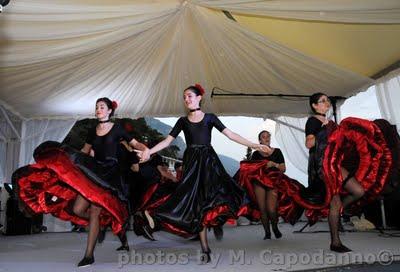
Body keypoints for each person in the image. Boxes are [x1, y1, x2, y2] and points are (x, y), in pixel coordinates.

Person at [138, 84, 271, 263]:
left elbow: (230, 135)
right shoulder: (182, 121)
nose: (187, 99)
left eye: (190, 96)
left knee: (218, 195)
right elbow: (167, 141)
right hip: (192, 163)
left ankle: (212, 229)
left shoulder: (210, 118)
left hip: (209, 162)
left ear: (199, 97)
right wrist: (149, 152)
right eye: (184, 97)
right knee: (193, 200)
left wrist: (254, 145)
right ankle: (202, 245)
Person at [13, 97, 149, 267]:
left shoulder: (118, 129)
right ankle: (99, 225)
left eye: (102, 107)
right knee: (78, 209)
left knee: (94, 212)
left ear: (109, 111)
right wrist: (66, 163)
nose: (98, 109)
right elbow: (84, 152)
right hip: (92, 171)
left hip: (108, 175)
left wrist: (147, 150)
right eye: (97, 107)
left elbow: (136, 144)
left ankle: (89, 255)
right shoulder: (92, 131)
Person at [303, 92, 392, 252]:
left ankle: (336, 211)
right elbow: (309, 144)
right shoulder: (313, 121)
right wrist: (323, 133)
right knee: (335, 201)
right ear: (314, 106)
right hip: (322, 166)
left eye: (327, 100)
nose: (326, 103)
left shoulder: (330, 121)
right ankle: (335, 242)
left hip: (335, 164)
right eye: (322, 101)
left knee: (358, 191)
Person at [236, 131, 305, 240]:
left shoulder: (277, 152)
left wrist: (274, 164)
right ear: (260, 140)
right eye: (264, 137)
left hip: (273, 182)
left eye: (268, 136)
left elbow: (283, 168)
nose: (266, 138)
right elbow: (251, 170)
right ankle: (267, 233)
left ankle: (275, 227)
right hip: (259, 182)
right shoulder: (256, 154)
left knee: (271, 209)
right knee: (262, 209)